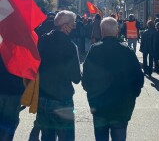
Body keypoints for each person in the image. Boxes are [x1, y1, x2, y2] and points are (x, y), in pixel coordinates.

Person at [82, 17, 144, 141]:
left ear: (102, 32)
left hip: (99, 106)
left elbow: (86, 79)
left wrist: (92, 95)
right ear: (116, 31)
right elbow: (139, 78)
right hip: (121, 106)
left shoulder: (94, 50)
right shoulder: (127, 51)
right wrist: (132, 96)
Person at [32, 10, 81, 141]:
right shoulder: (71, 46)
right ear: (64, 26)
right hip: (63, 98)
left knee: (47, 136)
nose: (73, 27)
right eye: (72, 24)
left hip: (43, 97)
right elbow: (76, 78)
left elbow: (35, 65)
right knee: (66, 136)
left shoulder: (42, 40)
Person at [0, 56, 24, 141]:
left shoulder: (3, 49)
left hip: (2, 90)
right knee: (10, 123)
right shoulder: (22, 54)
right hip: (15, 92)